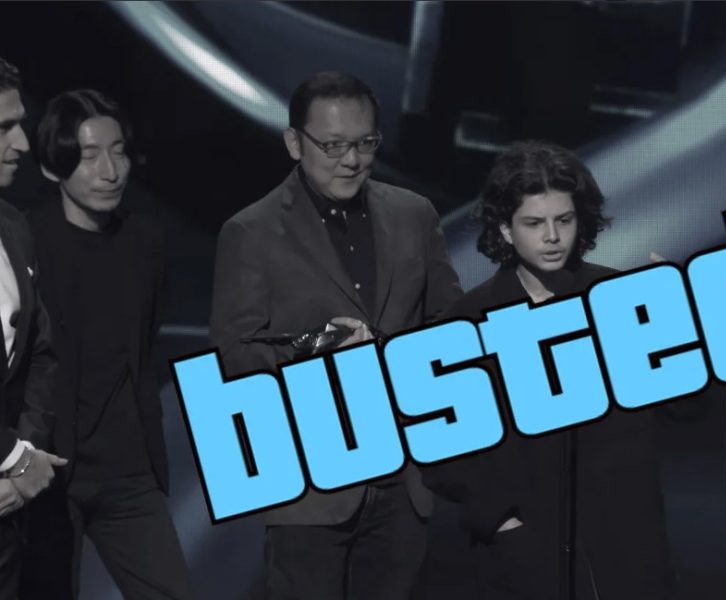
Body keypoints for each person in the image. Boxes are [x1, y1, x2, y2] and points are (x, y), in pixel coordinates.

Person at [209, 71, 462, 600]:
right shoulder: (250, 232)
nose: (351, 160)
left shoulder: (414, 215)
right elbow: (234, 355)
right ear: (294, 142)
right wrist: (319, 350)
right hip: (312, 485)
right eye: (333, 145)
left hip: (403, 480)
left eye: (365, 143)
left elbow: (448, 325)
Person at [423, 140, 676, 599]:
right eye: (534, 223)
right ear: (505, 229)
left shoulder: (618, 299)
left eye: (564, 220)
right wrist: (501, 519)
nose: (553, 236)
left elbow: (684, 409)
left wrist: (678, 324)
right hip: (526, 556)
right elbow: (440, 450)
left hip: (627, 547)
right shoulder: (469, 323)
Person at [22, 89, 194, 600]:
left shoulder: (147, 241)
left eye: (118, 152)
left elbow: (143, 341)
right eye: (89, 155)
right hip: (51, 472)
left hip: (128, 471)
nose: (110, 171)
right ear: (53, 167)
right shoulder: (26, 243)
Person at [0, 56, 68, 598]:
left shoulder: (14, 228)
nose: (22, 143)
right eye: (4, 127)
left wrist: (23, 458)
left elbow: (42, 354)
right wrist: (17, 460)